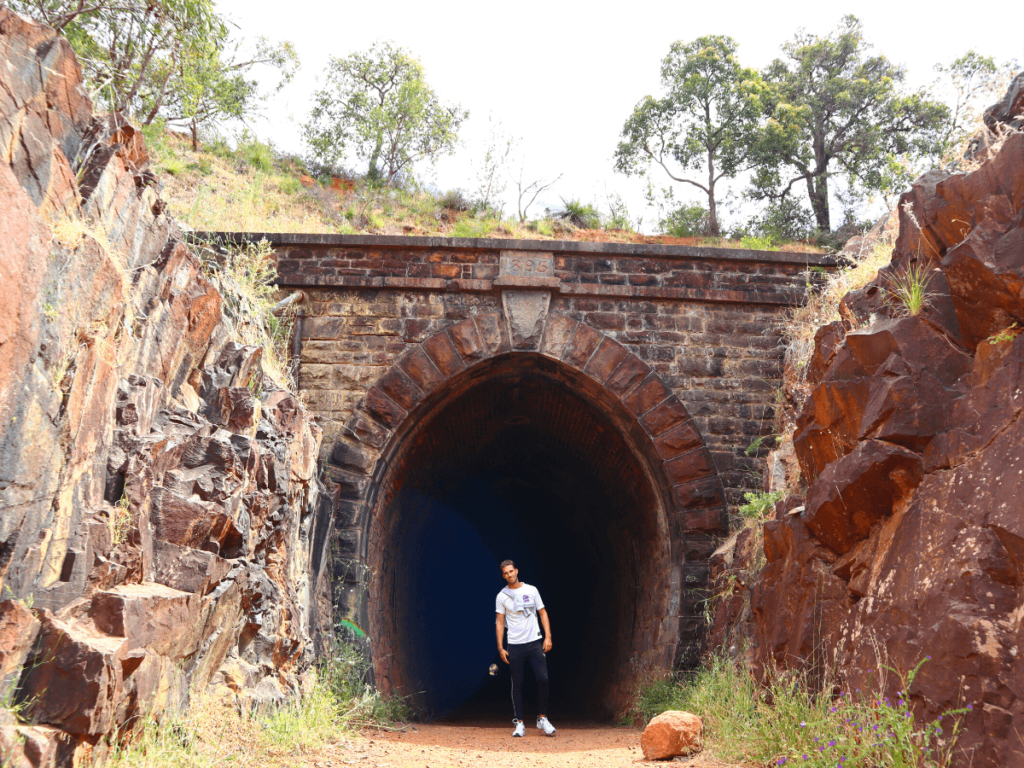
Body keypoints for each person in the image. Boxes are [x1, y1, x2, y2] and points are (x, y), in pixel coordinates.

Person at [495, 559, 556, 737]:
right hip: (514, 644)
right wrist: (500, 648)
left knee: (543, 679)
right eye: (506, 573)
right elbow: (499, 622)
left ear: (517, 571)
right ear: (503, 575)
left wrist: (548, 636)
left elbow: (542, 613)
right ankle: (520, 722)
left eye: (511, 571)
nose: (509, 575)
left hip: (535, 641)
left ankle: (542, 718)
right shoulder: (502, 596)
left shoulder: (532, 590)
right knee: (518, 683)